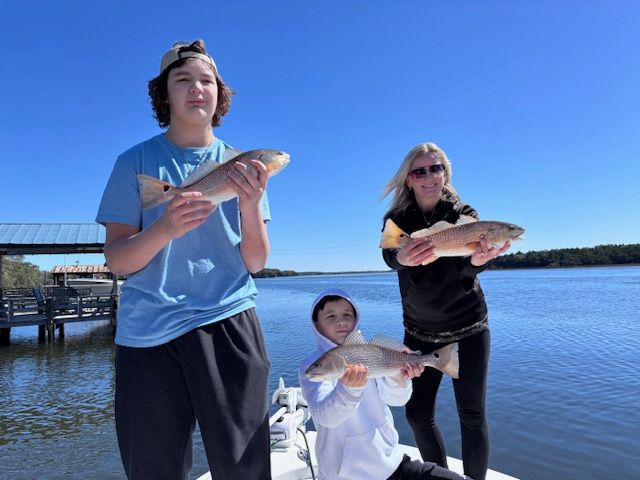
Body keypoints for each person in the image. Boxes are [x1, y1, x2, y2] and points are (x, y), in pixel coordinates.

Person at [96, 39, 272, 479]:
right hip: (146, 336)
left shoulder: (243, 165)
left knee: (244, 469)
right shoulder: (132, 162)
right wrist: (165, 228)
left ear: (220, 94)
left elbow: (255, 262)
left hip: (228, 318)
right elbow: (117, 261)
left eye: (207, 81)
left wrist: (250, 205)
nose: (197, 89)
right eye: (183, 80)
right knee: (153, 470)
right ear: (164, 95)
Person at [380, 143, 511, 480]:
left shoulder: (465, 215)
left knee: (472, 415)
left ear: (445, 173)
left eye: (435, 168)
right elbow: (390, 255)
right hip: (420, 331)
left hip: (469, 327)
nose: (428, 177)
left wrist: (477, 262)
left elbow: (465, 268)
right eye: (419, 171)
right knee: (418, 414)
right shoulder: (397, 220)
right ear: (408, 179)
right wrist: (401, 259)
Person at [298, 288, 470, 480]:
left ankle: (441, 358)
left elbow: (396, 400)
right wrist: (348, 389)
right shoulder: (311, 369)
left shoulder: (370, 352)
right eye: (330, 316)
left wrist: (399, 378)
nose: (341, 322)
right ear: (316, 324)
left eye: (347, 314)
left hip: (392, 464)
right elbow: (325, 417)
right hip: (344, 475)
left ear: (356, 319)